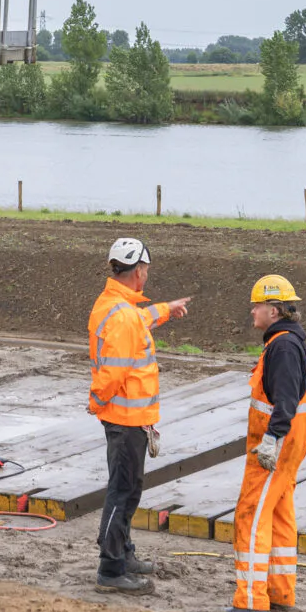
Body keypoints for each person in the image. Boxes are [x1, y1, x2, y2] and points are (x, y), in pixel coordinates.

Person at [87, 236, 189, 593]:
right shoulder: (123, 315)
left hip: (128, 418)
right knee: (123, 491)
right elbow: (114, 370)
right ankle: (111, 568)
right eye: (146, 269)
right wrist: (97, 400)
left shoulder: (116, 305)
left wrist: (166, 309)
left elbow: (138, 319)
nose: (147, 274)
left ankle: (123, 553)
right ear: (139, 272)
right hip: (125, 420)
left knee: (130, 489)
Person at [230, 272, 306, 612]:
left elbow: (286, 398)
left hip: (274, 449)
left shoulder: (283, 347)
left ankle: (250, 599)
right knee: (278, 515)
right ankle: (280, 590)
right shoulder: (288, 342)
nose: (252, 311)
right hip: (290, 445)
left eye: (257, 306)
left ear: (273, 310)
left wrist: (271, 439)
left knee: (250, 515)